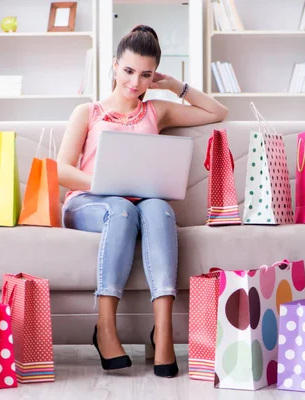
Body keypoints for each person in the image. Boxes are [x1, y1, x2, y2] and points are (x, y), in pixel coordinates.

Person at [57, 24, 228, 378]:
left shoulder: (156, 111)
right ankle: (104, 329)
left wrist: (172, 85)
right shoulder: (87, 112)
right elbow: (61, 170)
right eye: (129, 71)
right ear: (115, 66)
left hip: (137, 206)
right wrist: (105, 182)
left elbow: (216, 112)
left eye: (146, 75)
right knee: (121, 208)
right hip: (89, 202)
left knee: (159, 207)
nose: (135, 83)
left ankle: (163, 331)